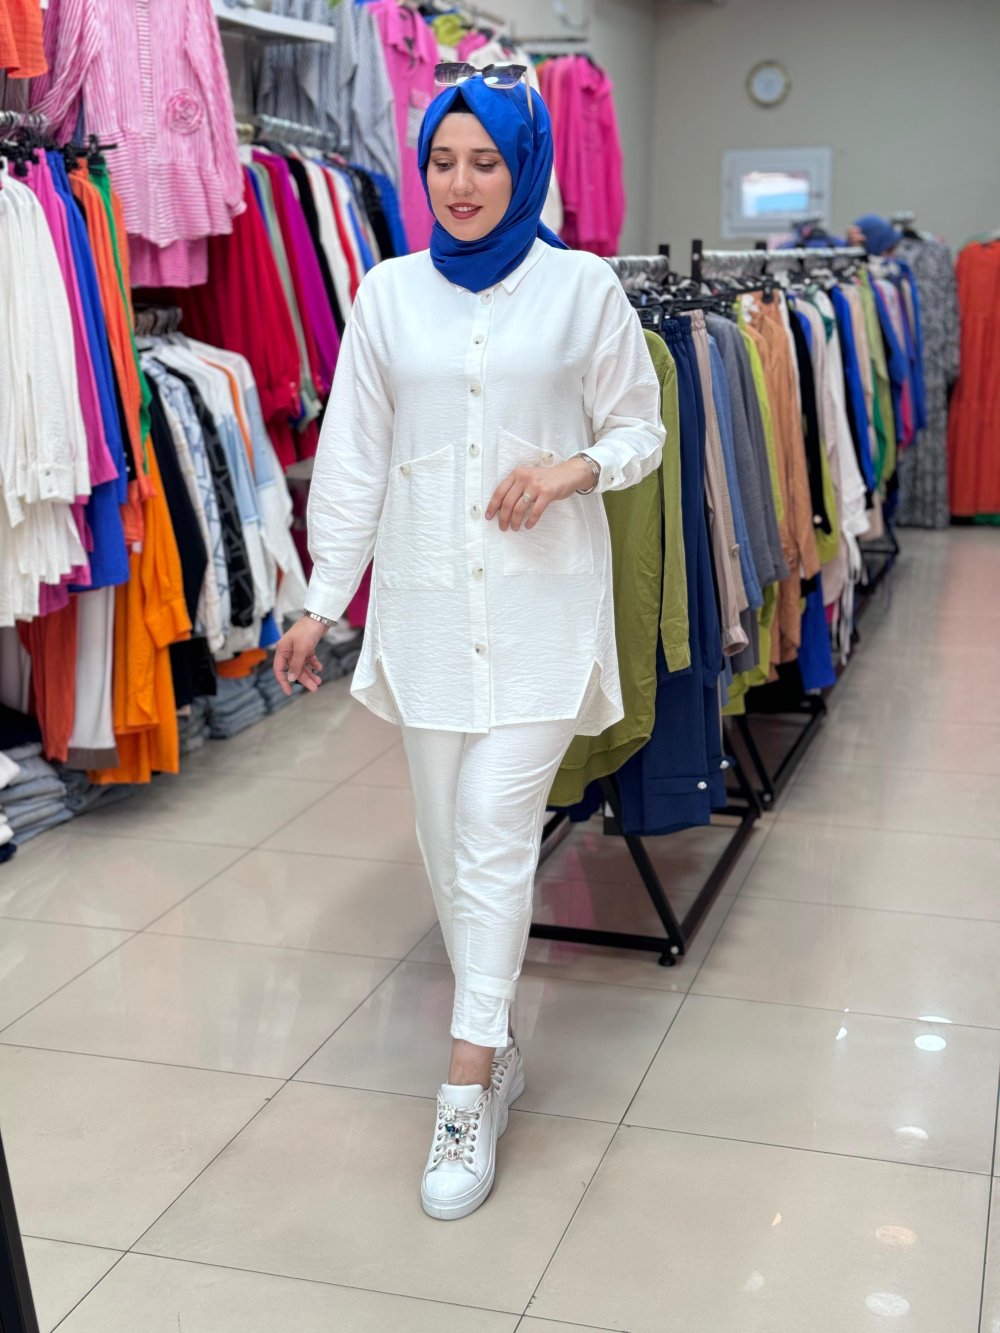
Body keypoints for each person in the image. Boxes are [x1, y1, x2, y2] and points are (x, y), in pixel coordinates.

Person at [272, 64, 664, 1221]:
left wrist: (573, 468)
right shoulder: (388, 295)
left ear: (523, 164)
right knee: (448, 845)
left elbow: (640, 425)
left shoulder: (583, 288)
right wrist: (320, 599)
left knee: (494, 826)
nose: (460, 183)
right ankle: (496, 1045)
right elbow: (353, 456)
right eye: (442, 161)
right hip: (432, 610)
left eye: (484, 161)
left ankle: (462, 1084)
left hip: (543, 609)